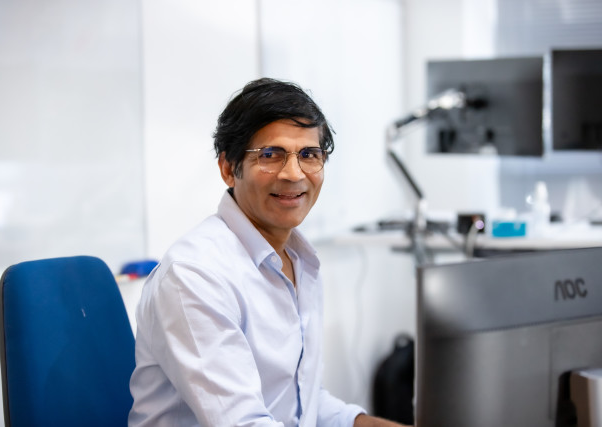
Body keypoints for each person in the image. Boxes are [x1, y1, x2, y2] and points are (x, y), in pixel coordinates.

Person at [128, 78, 408, 427]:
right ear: (228, 168)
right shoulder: (195, 276)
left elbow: (301, 404)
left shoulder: (301, 261)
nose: (293, 174)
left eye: (309, 155)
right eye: (270, 155)